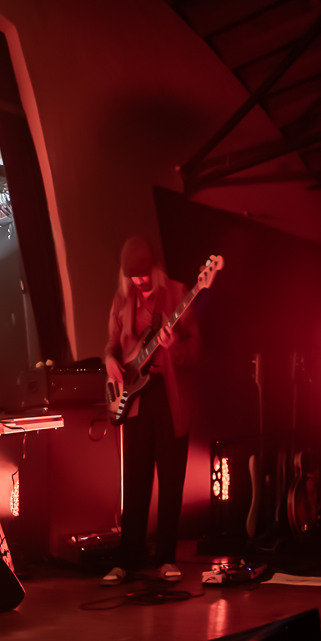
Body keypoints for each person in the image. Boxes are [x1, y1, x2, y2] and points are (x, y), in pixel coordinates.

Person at [102, 236, 200, 584]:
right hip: (134, 398)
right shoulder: (121, 299)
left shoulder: (177, 293)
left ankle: (166, 558)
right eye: (134, 276)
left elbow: (197, 347)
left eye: (144, 274)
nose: (140, 281)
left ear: (154, 268)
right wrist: (109, 359)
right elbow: (112, 343)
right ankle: (127, 560)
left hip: (168, 396)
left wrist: (175, 348)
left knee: (171, 482)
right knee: (136, 482)